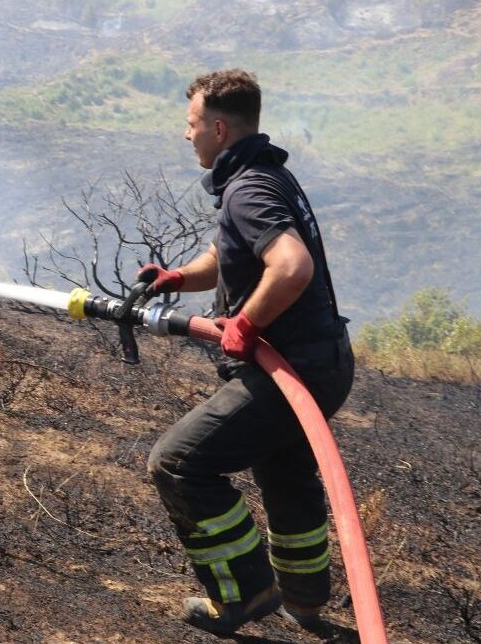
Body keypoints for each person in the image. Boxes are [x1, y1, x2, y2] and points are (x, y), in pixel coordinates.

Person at [140, 69, 355, 635]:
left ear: (217, 128)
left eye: (191, 124)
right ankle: (305, 601)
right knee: (284, 470)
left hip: (291, 371)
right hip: (323, 362)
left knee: (178, 463)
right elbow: (229, 252)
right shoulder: (265, 175)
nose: (186, 135)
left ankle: (244, 592)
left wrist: (246, 323)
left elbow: (291, 266)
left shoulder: (248, 190)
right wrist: (177, 277)